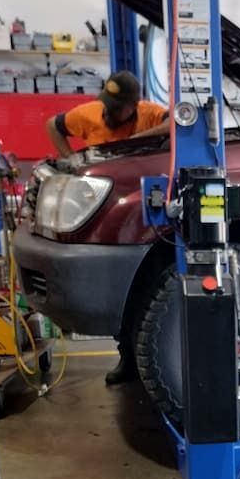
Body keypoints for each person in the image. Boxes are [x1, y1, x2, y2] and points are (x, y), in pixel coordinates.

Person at [45, 72, 169, 384]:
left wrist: (136, 140)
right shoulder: (89, 114)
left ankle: (152, 361)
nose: (109, 114)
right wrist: (69, 159)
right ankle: (127, 360)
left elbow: (177, 124)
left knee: (148, 288)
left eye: (117, 108)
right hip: (103, 215)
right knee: (120, 293)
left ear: (133, 106)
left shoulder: (150, 114)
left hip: (144, 212)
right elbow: (53, 125)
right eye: (108, 105)